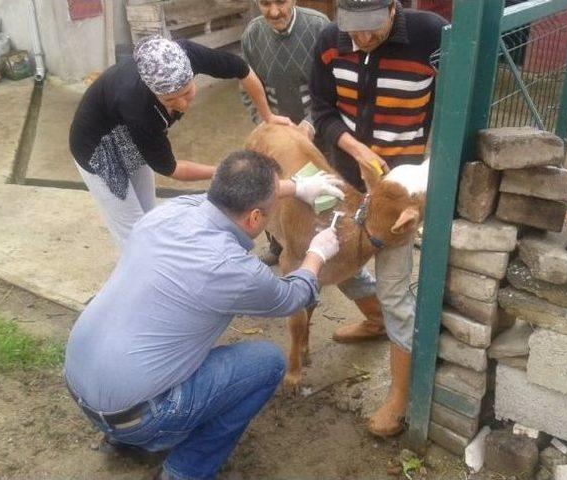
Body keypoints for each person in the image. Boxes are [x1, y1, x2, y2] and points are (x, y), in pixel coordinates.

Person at [64, 150, 342, 480]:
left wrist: (295, 188)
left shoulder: (167, 213)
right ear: (254, 219)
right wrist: (316, 253)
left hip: (78, 384)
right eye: (270, 213)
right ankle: (187, 470)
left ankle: (119, 440)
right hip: (141, 416)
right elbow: (293, 297)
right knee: (267, 362)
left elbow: (223, 198)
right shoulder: (234, 270)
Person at [310, 0, 447, 436]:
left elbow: (452, 107)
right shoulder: (330, 41)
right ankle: (373, 322)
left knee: (395, 294)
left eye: (371, 29)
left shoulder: (432, 37)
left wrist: (427, 170)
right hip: (346, 181)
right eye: (353, 29)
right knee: (336, 266)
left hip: (395, 199)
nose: (361, 40)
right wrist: (354, 148)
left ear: (394, 7)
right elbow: (323, 110)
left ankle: (399, 397)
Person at [70, 35, 291, 249]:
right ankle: (144, 277)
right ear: (153, 92)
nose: (183, 105)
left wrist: (268, 116)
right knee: (134, 234)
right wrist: (222, 172)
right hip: (97, 151)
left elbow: (242, 70)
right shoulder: (137, 107)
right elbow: (171, 168)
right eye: (170, 100)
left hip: (129, 134)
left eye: (187, 92)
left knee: (148, 216)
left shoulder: (187, 55)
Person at [241, 0, 330, 266]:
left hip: (317, 131)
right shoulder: (252, 34)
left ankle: (321, 250)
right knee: (271, 190)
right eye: (265, 3)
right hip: (274, 136)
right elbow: (248, 87)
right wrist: (265, 123)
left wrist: (310, 124)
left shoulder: (319, 27)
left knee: (320, 195)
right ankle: (277, 244)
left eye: (281, 1)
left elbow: (332, 85)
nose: (274, 11)